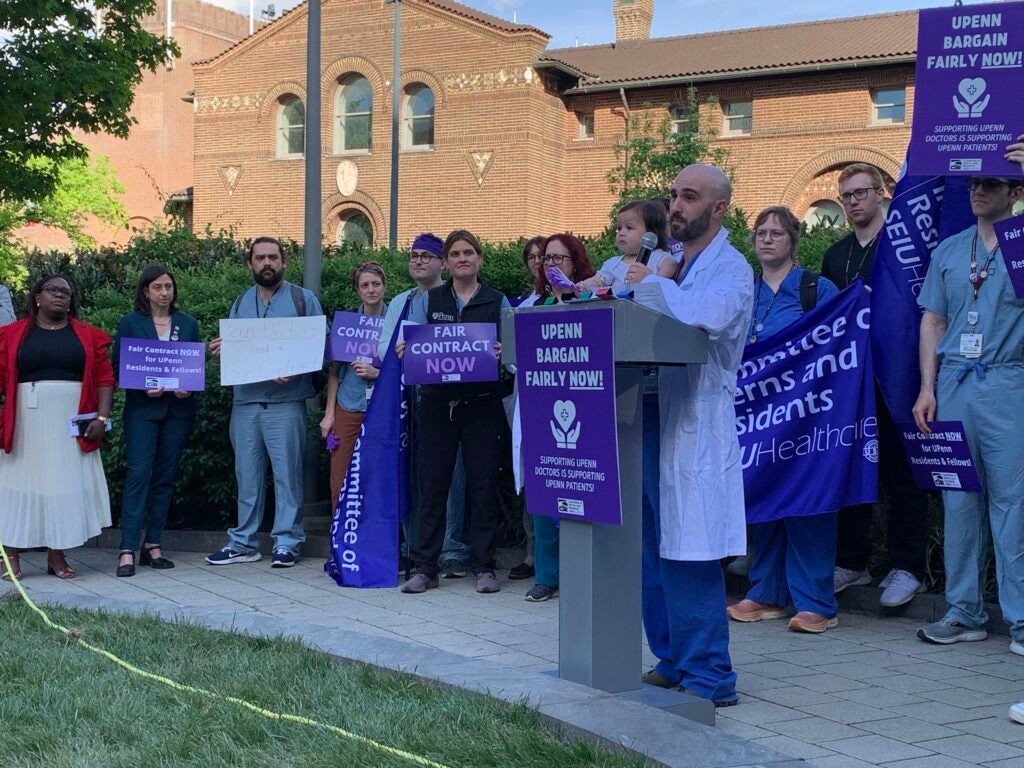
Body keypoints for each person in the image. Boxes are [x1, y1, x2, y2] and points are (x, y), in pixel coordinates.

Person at [625, 163, 754, 707]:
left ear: (719, 208)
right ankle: (671, 657)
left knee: (691, 549)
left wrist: (654, 285)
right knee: (654, 546)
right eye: (674, 195)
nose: (676, 206)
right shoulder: (673, 264)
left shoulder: (732, 268)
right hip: (651, 413)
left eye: (690, 197)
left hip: (698, 417)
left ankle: (709, 676)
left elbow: (712, 318)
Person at [912, 170, 1024, 648]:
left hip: (1007, 381)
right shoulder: (950, 249)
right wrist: (926, 388)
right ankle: (964, 613)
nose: (978, 191)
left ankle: (1020, 619)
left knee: (1011, 504)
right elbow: (933, 320)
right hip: (954, 382)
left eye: (992, 184)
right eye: (973, 184)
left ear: (1016, 192)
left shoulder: (1020, 245)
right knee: (959, 502)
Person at [724, 206, 842, 633]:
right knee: (763, 499)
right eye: (761, 232)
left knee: (808, 500)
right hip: (754, 416)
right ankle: (766, 593)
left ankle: (816, 603)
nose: (767, 239)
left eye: (777, 232)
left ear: (793, 240)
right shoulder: (742, 291)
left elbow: (838, 346)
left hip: (807, 416)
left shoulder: (817, 289)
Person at [823, 163, 930, 608]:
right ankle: (853, 561)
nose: (852, 202)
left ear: (883, 193)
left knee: (904, 474)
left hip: (898, 374)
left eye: (861, 192)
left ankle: (908, 566)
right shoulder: (835, 254)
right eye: (846, 195)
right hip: (852, 381)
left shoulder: (903, 243)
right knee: (852, 467)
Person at [398, 230, 510, 595]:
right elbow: (409, 340)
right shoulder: (429, 299)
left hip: (481, 405)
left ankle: (485, 566)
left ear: (479, 259)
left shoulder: (498, 300)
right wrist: (405, 348)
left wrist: (502, 351)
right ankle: (424, 567)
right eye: (455, 254)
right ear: (445, 262)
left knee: (482, 486)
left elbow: (513, 352)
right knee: (432, 487)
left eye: (468, 253)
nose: (462, 259)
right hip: (435, 405)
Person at [206, 236, 324, 569]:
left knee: (287, 475)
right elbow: (240, 351)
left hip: (285, 404)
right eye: (260, 258)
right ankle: (243, 542)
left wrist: (295, 369)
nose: (267, 263)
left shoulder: (303, 299)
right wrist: (223, 347)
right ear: (250, 263)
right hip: (245, 404)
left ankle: (287, 541)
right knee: (247, 476)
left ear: (284, 262)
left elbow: (319, 347)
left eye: (273, 257)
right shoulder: (241, 302)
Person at [0, 275, 114, 581]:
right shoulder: (12, 335)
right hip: (24, 422)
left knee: (62, 485)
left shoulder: (88, 335)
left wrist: (101, 419)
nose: (60, 295)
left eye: (66, 291)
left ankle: (56, 553)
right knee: (17, 485)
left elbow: (104, 379)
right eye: (53, 290)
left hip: (71, 424)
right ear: (37, 296)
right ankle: (10, 556)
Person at [377, 233, 471, 579]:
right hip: (404, 399)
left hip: (446, 399)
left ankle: (451, 548)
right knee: (410, 472)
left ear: (441, 263)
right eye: (413, 255)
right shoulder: (400, 302)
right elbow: (386, 346)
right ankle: (414, 547)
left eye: (426, 256)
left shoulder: (452, 298)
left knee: (451, 475)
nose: (418, 261)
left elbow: (462, 344)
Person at [112, 266, 202, 577]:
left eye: (168, 286)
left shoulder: (187, 324)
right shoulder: (131, 323)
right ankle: (127, 548)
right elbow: (119, 365)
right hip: (142, 411)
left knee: (165, 477)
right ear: (145, 292)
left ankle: (153, 545)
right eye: (157, 287)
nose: (164, 292)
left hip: (177, 410)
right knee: (138, 474)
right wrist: (140, 385)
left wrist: (187, 386)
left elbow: (194, 364)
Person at [523, 234, 597, 603]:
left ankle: (586, 572)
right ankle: (547, 575)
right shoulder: (535, 303)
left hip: (587, 409)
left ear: (576, 262)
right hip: (543, 409)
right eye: (546, 260)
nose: (551, 266)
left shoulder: (593, 299)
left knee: (583, 492)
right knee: (546, 490)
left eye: (559, 259)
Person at [320, 261, 387, 507]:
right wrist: (329, 414)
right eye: (365, 285)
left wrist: (377, 373)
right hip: (348, 404)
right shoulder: (346, 325)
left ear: (384, 286)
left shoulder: (394, 324)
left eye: (376, 284)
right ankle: (340, 532)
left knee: (379, 472)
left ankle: (374, 534)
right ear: (358, 290)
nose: (371, 290)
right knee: (341, 473)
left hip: (382, 407)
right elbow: (335, 371)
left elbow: (405, 368)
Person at [509, 235, 546, 583]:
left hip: (558, 401)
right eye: (532, 257)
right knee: (530, 477)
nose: (537, 262)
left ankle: (556, 559)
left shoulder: (572, 296)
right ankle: (534, 553)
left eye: (543, 256)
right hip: (527, 399)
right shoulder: (523, 304)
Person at [577, 200, 673, 293]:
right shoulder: (613, 263)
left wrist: (657, 280)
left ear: (651, 233)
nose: (621, 233)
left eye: (629, 227)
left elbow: (671, 264)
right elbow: (598, 281)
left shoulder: (657, 256)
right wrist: (581, 286)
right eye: (619, 228)